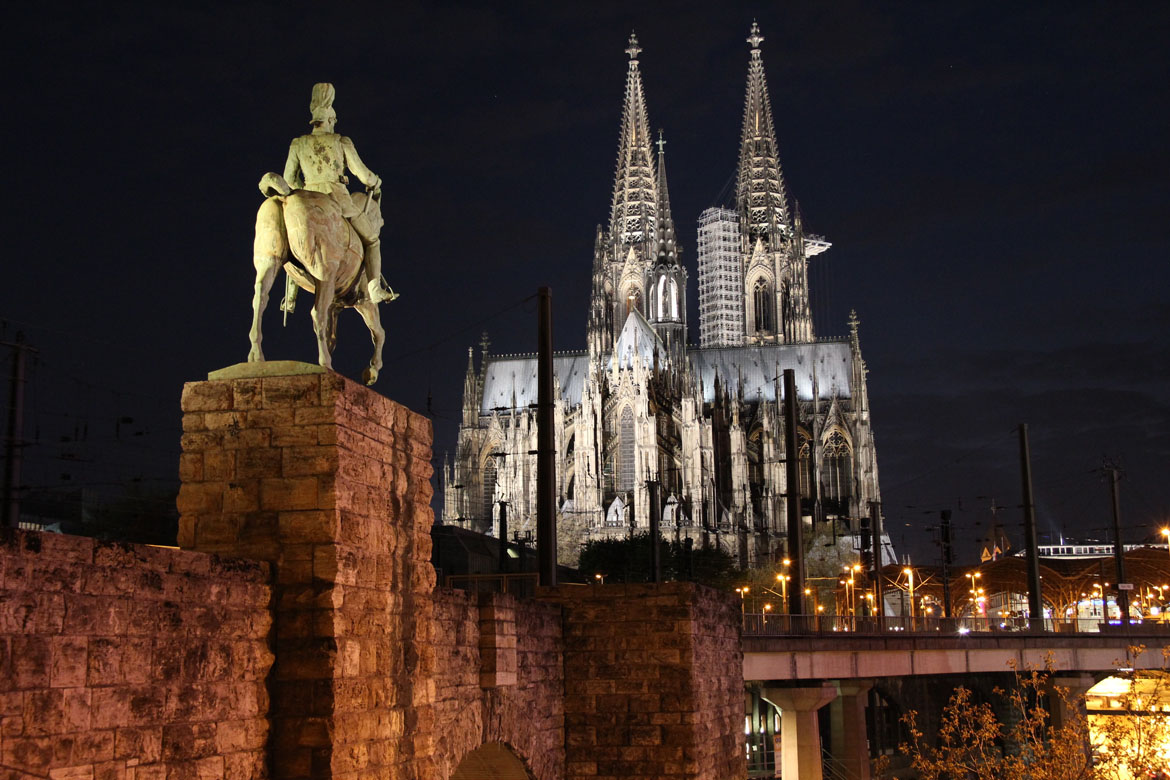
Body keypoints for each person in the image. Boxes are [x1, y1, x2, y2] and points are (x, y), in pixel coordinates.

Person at [283, 83, 395, 303]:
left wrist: (303, 190)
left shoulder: (298, 144)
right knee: (372, 240)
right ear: (331, 121)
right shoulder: (340, 141)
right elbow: (363, 175)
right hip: (338, 200)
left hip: (308, 195)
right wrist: (375, 181)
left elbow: (288, 179)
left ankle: (289, 296)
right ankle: (374, 289)